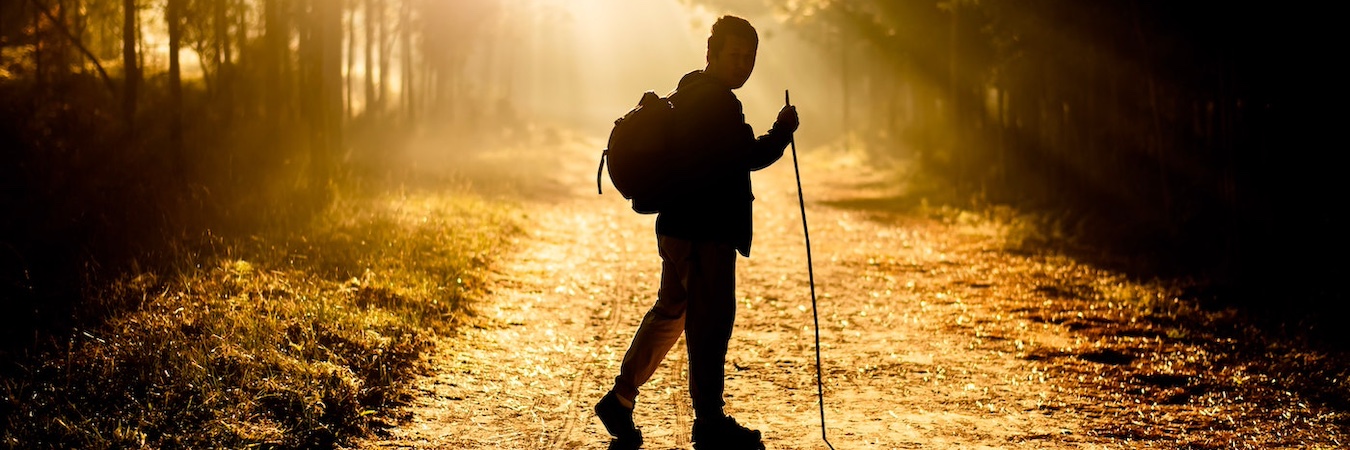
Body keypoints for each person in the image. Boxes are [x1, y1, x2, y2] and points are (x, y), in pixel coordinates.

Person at [594, 14, 799, 450]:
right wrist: (782, 132)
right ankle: (709, 422)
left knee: (672, 313)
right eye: (734, 56)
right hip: (705, 232)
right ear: (712, 55)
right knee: (709, 324)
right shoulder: (717, 102)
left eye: (749, 57)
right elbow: (749, 154)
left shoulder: (690, 91)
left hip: (679, 228)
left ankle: (620, 399)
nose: (742, 65)